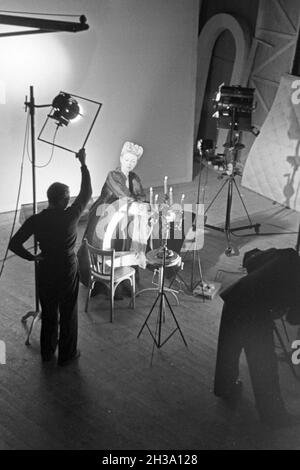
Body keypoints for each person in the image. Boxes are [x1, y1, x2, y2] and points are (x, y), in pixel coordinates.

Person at [9, 148, 92, 365]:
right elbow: (86, 193)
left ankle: (47, 352)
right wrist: (83, 164)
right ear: (64, 200)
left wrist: (31, 258)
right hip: (66, 268)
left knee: (48, 312)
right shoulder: (70, 216)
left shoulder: (37, 219)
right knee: (68, 312)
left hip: (45, 268)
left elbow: (13, 243)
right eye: (67, 196)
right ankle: (67, 354)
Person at [214, 247, 300, 427]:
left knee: (228, 349)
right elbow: (293, 319)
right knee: (264, 366)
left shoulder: (288, 254)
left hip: (236, 295)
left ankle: (225, 388)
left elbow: (250, 260)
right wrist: (282, 306)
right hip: (255, 313)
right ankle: (273, 417)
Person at [79, 141, 151, 294]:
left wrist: (139, 203)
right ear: (121, 158)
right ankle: (102, 281)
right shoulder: (113, 175)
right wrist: (136, 202)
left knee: (126, 244)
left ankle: (125, 282)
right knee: (105, 245)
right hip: (106, 213)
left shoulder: (134, 178)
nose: (129, 164)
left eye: (133, 161)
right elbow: (123, 194)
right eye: (127, 160)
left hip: (126, 215)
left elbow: (141, 196)